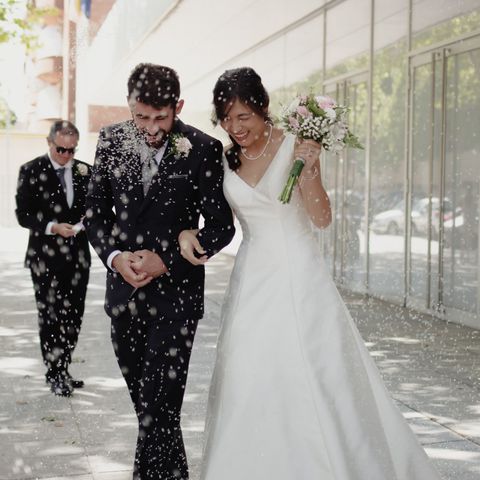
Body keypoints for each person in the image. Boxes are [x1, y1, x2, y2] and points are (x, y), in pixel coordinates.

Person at [179, 67, 440, 479]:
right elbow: (218, 222)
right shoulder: (224, 157)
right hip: (252, 281)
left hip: (300, 277)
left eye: (242, 116)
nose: (234, 127)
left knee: (313, 372)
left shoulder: (296, 146)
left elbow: (321, 219)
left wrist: (311, 167)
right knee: (248, 375)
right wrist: (185, 232)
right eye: (226, 118)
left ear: (263, 109)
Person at [84, 63, 235, 480]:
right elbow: (95, 214)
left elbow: (221, 228)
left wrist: (165, 258)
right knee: (152, 413)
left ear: (178, 106)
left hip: (177, 300)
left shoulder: (203, 148)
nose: (150, 128)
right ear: (129, 106)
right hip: (123, 296)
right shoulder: (112, 139)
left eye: (160, 118)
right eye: (141, 116)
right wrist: (116, 257)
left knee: (157, 409)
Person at [15, 120, 92, 397]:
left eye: (72, 150)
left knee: (74, 316)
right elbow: (23, 214)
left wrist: (83, 224)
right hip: (44, 258)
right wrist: (52, 227)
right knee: (50, 317)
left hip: (77, 257)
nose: (67, 155)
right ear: (49, 143)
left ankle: (65, 366)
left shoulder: (85, 171)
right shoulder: (31, 170)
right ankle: (54, 372)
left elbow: (95, 207)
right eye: (61, 149)